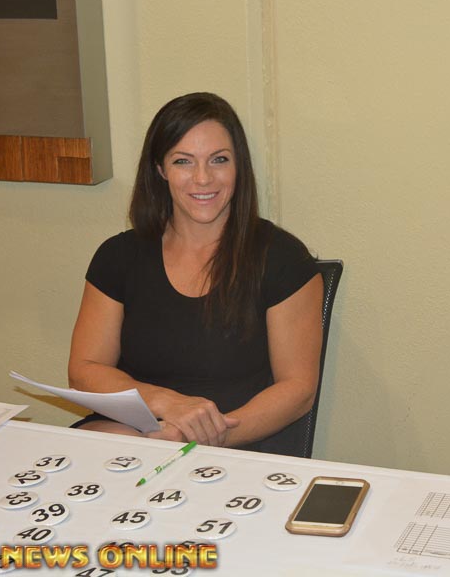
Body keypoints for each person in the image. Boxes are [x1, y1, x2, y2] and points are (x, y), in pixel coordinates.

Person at [68, 92, 324, 450]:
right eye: (183, 161)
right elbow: (84, 369)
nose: (203, 178)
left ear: (239, 166)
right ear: (160, 169)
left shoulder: (283, 259)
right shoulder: (119, 256)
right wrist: (166, 403)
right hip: (135, 434)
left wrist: (199, 435)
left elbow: (297, 391)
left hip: (232, 443)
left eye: (219, 160)